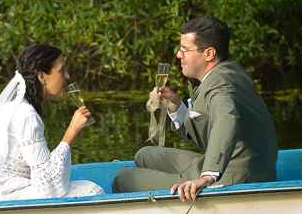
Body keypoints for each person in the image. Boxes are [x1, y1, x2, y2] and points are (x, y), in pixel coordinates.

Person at [112, 16, 278, 202]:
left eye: (185, 50)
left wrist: (207, 177)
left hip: (235, 177)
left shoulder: (219, 86)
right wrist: (176, 106)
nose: (178, 55)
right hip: (246, 165)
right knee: (143, 155)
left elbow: (227, 120)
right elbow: (207, 134)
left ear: (209, 54)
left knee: (122, 178)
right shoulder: (232, 70)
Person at [0, 44, 104, 203]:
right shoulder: (26, 115)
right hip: (2, 195)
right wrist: (72, 131)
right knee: (92, 190)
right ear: (42, 77)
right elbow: (48, 188)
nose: (67, 76)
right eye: (61, 70)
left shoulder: (13, 107)